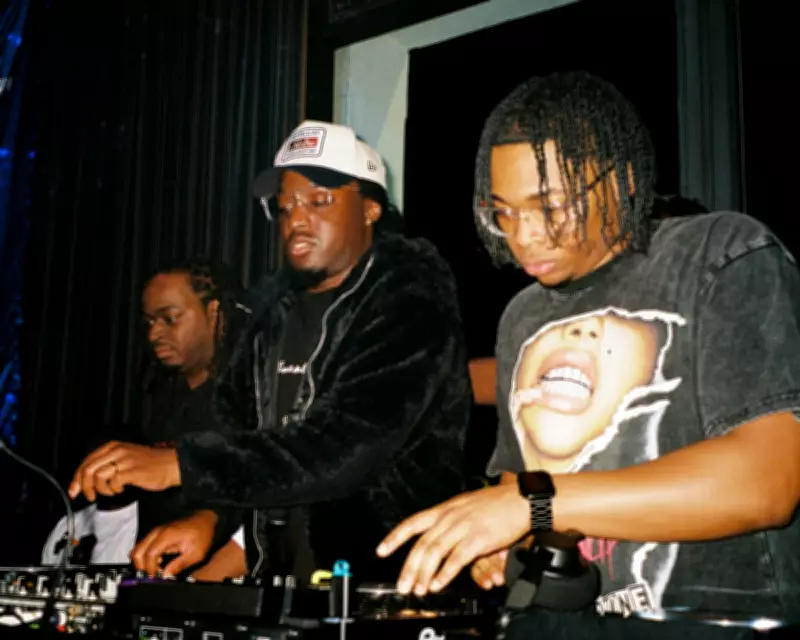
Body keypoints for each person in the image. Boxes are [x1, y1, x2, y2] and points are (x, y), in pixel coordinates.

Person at [376, 71, 800, 623]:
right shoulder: (522, 316)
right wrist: (501, 542)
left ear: (622, 181)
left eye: (549, 207)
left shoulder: (718, 253)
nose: (523, 236)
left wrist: (532, 507)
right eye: (504, 212)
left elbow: (767, 481)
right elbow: (523, 487)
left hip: (717, 621)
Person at [68, 120, 471, 584]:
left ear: (370, 209)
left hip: (393, 585)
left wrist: (181, 464)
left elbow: (344, 445)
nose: (296, 219)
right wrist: (211, 520)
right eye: (285, 206)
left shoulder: (411, 300)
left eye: (319, 201)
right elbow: (253, 443)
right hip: (287, 587)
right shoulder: (269, 315)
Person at [67, 259, 247, 573]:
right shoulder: (162, 395)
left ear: (214, 312)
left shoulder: (251, 394)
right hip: (156, 579)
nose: (155, 333)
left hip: (217, 584)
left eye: (170, 318)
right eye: (150, 321)